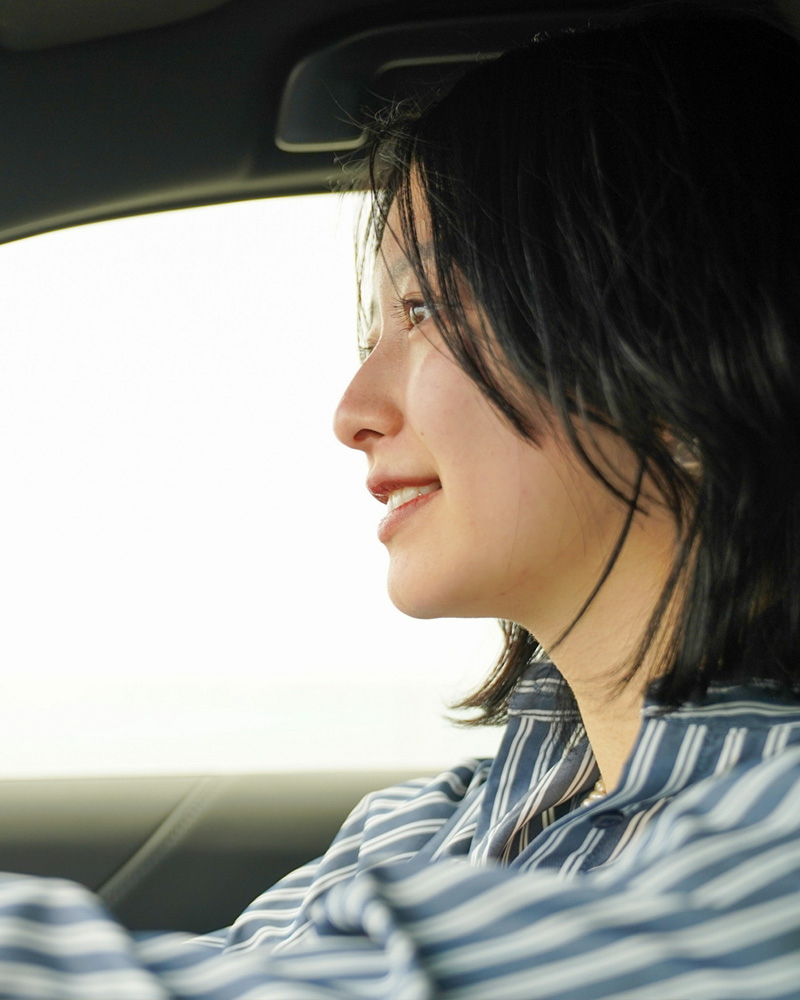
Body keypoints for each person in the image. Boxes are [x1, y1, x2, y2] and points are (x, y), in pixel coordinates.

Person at [2, 5, 800, 998]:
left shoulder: (775, 857)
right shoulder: (433, 823)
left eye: (421, 311)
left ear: (680, 348)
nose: (352, 411)